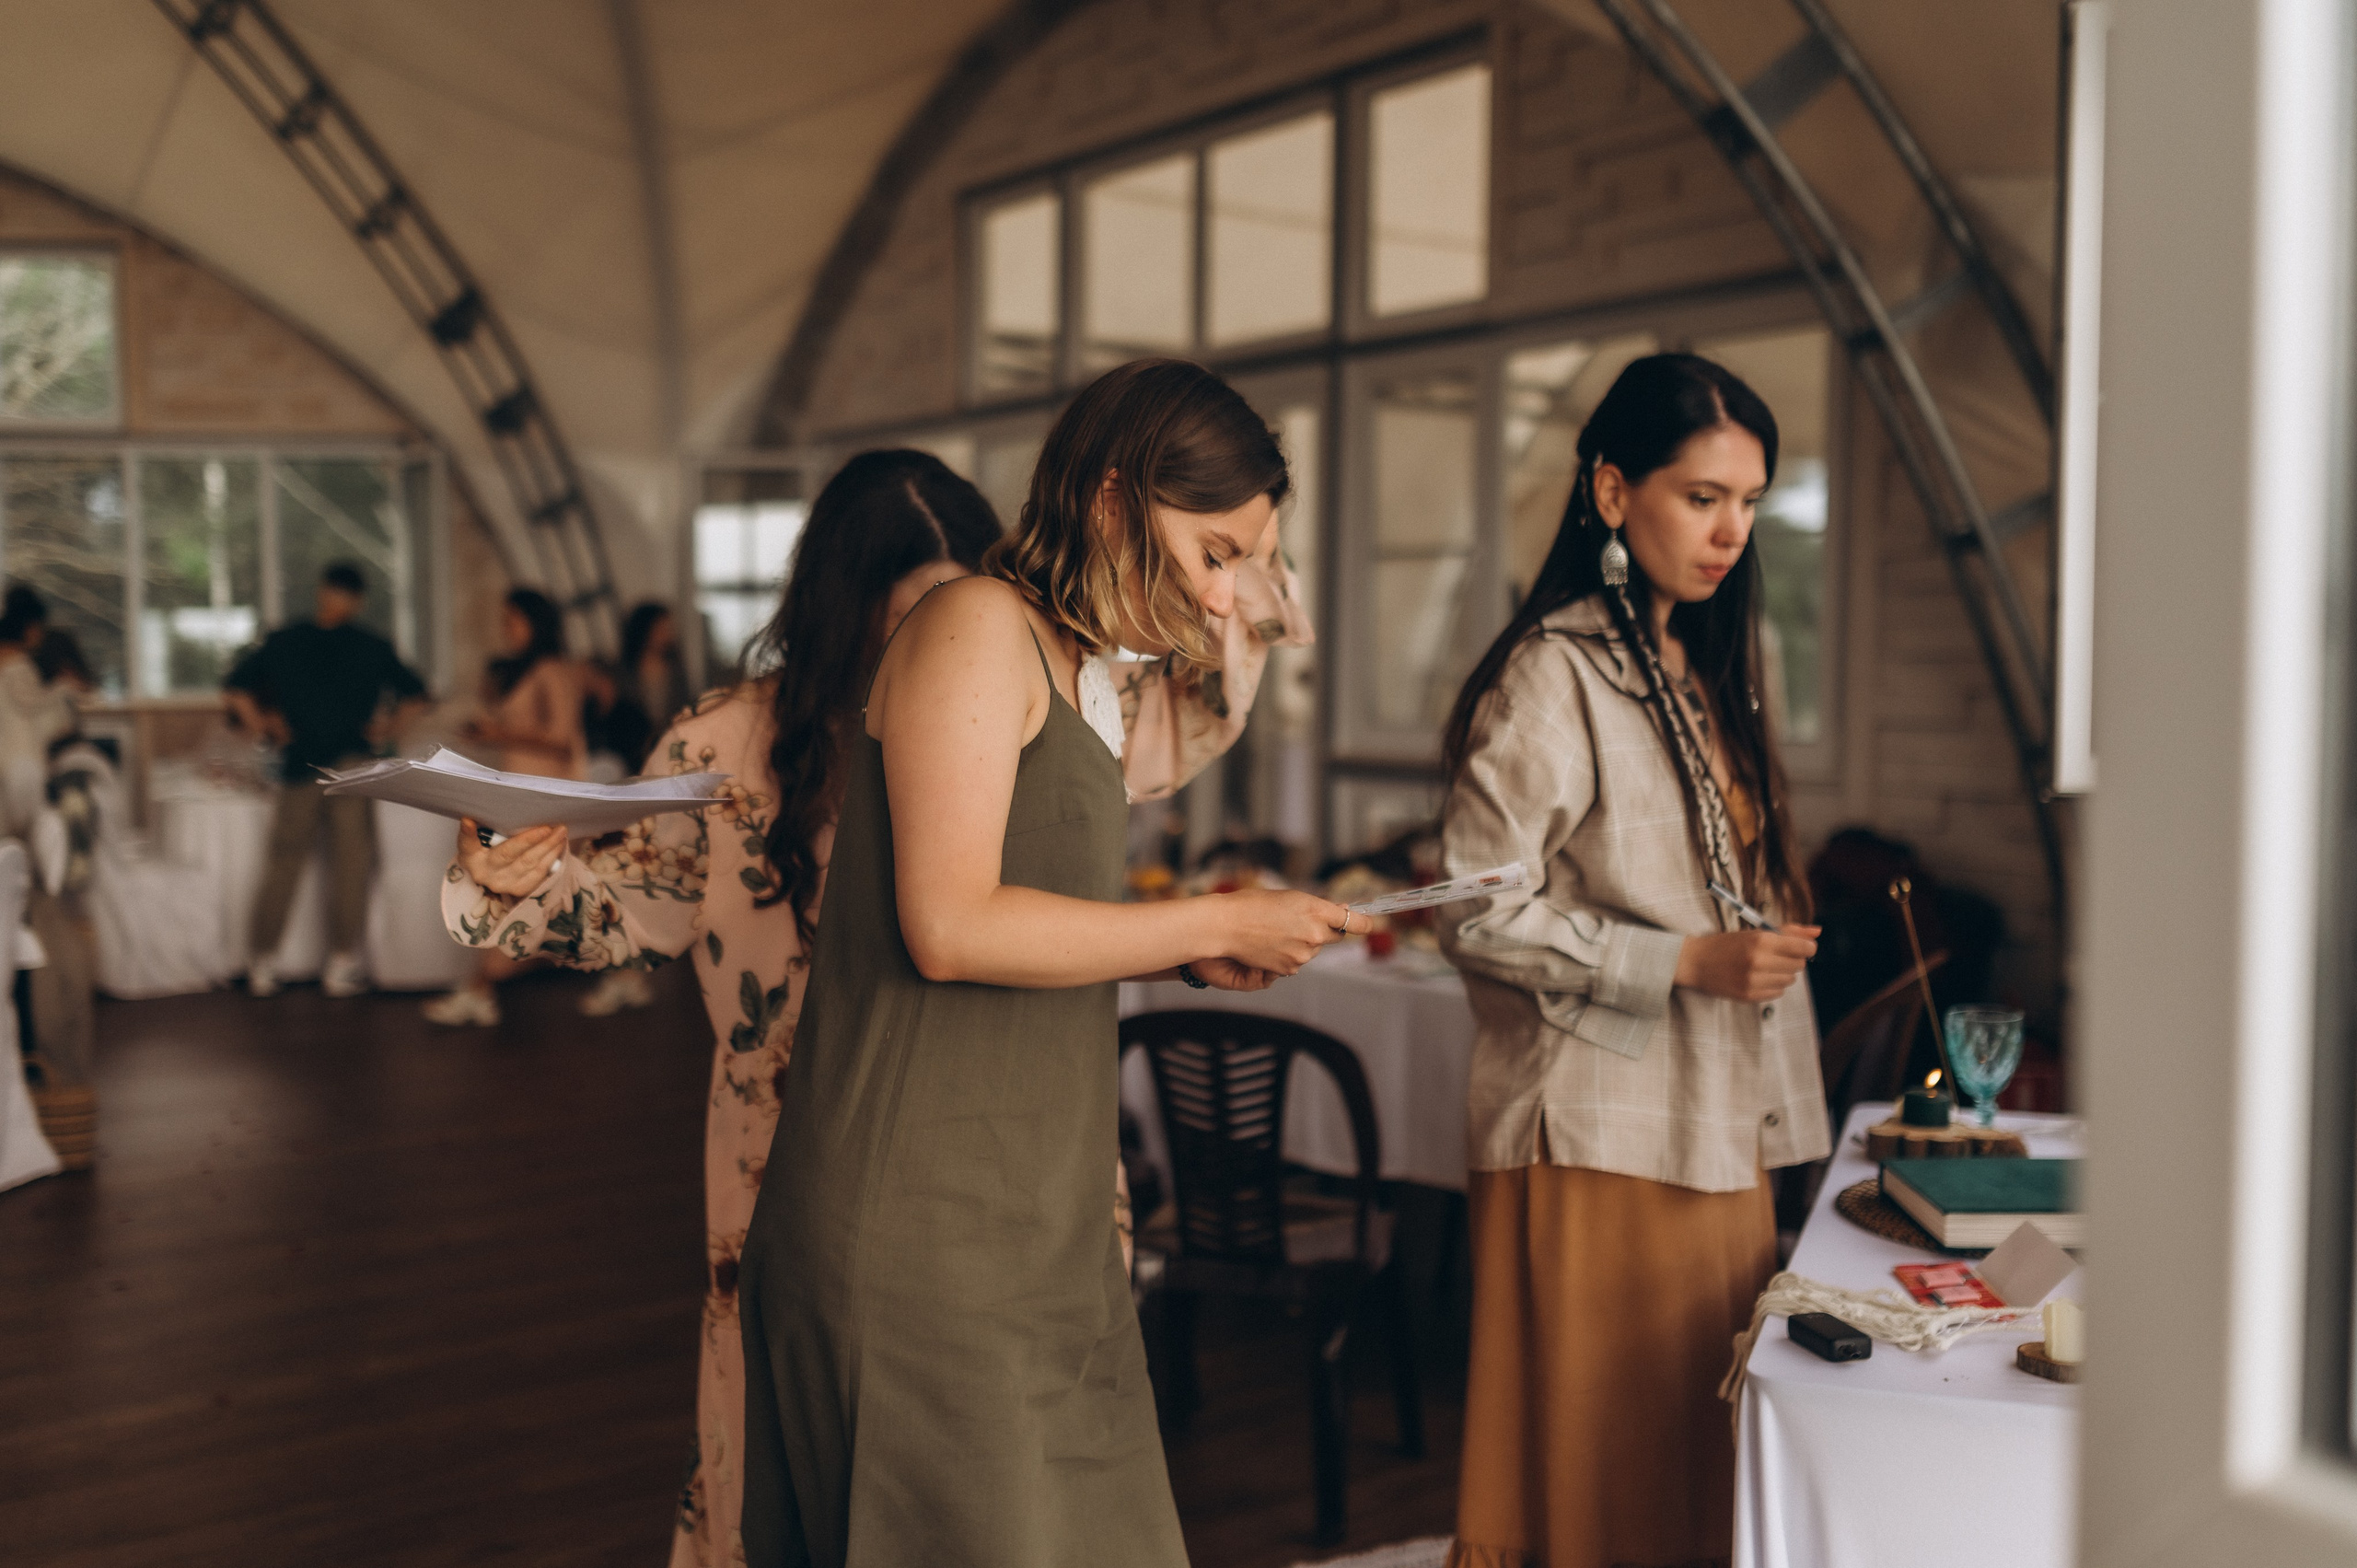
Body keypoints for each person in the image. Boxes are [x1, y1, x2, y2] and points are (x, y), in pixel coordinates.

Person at [444, 442, 1312, 1567]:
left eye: (974, 597)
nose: (958, 634)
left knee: (1026, 1490)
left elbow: (1202, 682)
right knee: (793, 1477)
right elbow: (618, 905)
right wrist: (512, 876)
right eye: (919, 608)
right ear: (843, 605)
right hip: (805, 1168)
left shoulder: (1070, 696)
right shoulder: (728, 745)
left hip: (1029, 1161)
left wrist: (1243, 545)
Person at [734, 359, 1349, 1567]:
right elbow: (950, 924)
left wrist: (1184, 956)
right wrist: (1208, 923)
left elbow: (1035, 918)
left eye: (1249, 558)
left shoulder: (1084, 668)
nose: (1230, 597)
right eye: (1216, 550)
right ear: (1116, 502)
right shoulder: (973, 625)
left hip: (1038, 1220)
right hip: (921, 1234)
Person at [1434, 353, 1829, 1568]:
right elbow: (1470, 908)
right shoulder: (1556, 673)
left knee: (1699, 1463)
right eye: (1702, 494)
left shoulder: (1699, 674)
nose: (1732, 530)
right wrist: (1683, 962)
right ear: (1613, 491)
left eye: (1752, 500)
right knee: (1606, 1484)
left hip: (1718, 1124)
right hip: (1602, 1131)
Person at [225, 563, 428, 1000]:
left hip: (301, 763)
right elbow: (417, 694)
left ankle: (264, 962)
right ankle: (339, 963)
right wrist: (389, 729)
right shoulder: (371, 645)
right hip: (350, 762)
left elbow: (236, 688)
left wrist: (264, 726)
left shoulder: (286, 640)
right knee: (348, 865)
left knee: (285, 864)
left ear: (323, 591)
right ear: (358, 600)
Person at [424, 587, 586, 1027]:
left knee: (526, 894)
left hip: (543, 801)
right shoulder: (528, 670)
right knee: (516, 894)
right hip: (520, 799)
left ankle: (481, 987)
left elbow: (561, 736)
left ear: (536, 623)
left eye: (513, 620)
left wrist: (498, 733)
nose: (506, 630)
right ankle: (484, 986)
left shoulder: (554, 669)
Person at [0, 586, 72, 835]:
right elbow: (35, 707)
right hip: (20, 760)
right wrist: (64, 688)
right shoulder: (18, 665)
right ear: (30, 628)